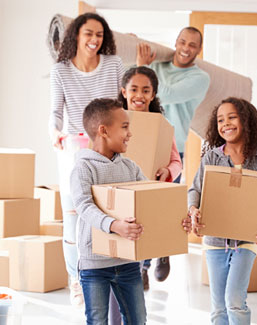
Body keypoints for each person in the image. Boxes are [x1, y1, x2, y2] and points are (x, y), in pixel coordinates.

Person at [70, 98, 192, 324]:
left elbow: (151, 201)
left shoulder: (130, 167)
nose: (130, 133)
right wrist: (115, 226)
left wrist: (179, 220)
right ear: (103, 131)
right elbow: (84, 206)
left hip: (127, 263)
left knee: (137, 319)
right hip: (95, 264)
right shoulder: (83, 167)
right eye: (125, 127)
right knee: (97, 320)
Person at [49, 13, 124, 306]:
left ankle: (110, 277)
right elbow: (55, 112)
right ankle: (76, 281)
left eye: (100, 35)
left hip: (108, 151)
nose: (94, 40)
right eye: (88, 34)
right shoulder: (61, 71)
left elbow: (124, 103)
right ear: (76, 36)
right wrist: (54, 132)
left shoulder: (114, 65)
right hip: (74, 150)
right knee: (74, 222)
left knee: (107, 215)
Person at [188, 97, 257, 325]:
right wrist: (193, 209)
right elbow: (195, 189)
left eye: (231, 117)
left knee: (234, 300)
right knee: (218, 307)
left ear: (246, 121)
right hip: (215, 242)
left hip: (246, 241)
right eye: (220, 120)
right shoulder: (211, 157)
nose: (225, 124)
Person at [136, 26, 210, 280]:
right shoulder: (157, 65)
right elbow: (135, 87)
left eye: (192, 44)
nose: (185, 48)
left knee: (163, 209)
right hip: (144, 143)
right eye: (182, 42)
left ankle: (162, 252)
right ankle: (143, 267)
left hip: (172, 148)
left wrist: (145, 67)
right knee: (141, 208)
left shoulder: (200, 78)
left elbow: (164, 93)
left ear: (199, 49)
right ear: (176, 42)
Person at [118, 66, 183, 290]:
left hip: (151, 190)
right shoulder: (114, 122)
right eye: (134, 89)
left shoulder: (161, 126)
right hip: (123, 191)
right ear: (124, 92)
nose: (139, 95)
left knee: (146, 230)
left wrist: (168, 172)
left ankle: (147, 265)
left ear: (153, 94)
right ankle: (141, 269)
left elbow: (177, 162)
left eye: (146, 90)